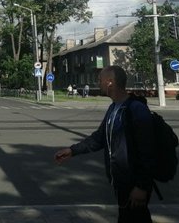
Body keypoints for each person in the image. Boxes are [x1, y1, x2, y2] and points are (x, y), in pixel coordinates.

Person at [54, 66, 156, 223]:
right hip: (121, 182)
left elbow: (148, 150)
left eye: (100, 79)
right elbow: (99, 138)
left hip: (134, 183)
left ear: (110, 82)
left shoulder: (135, 109)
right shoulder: (113, 108)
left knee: (135, 218)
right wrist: (72, 150)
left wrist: (142, 186)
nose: (98, 83)